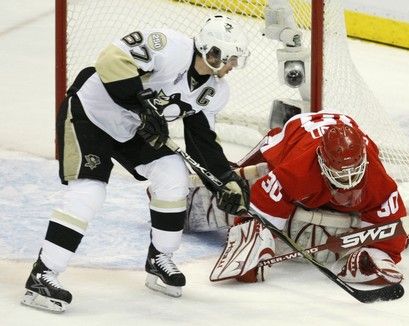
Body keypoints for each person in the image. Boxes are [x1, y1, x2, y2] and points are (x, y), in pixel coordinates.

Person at [21, 14, 250, 312]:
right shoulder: (167, 46)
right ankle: (43, 273)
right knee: (88, 191)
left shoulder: (215, 91)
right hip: (90, 114)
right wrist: (142, 107)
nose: (233, 65)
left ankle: (160, 258)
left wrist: (224, 179)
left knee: (172, 173)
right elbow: (110, 61)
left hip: (134, 128)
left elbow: (202, 140)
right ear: (212, 51)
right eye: (231, 57)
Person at [209, 112, 407, 285]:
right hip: (299, 131)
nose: (347, 183)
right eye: (339, 176)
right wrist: (252, 237)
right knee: (261, 162)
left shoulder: (376, 176)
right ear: (321, 162)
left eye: (353, 175)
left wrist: (381, 250)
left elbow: (393, 227)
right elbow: (260, 208)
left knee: (374, 198)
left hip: (343, 129)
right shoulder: (299, 169)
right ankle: (235, 168)